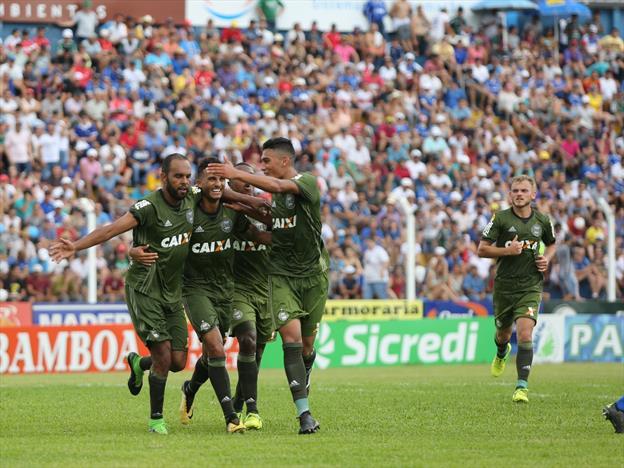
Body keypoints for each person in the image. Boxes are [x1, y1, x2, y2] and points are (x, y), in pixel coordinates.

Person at [50, 154, 198, 435]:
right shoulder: (147, 207)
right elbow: (110, 230)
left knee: (178, 362)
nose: (184, 182)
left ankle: (137, 363)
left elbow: (219, 194)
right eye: (178, 176)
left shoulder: (193, 198)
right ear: (163, 176)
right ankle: (156, 420)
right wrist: (76, 247)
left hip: (172, 292)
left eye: (188, 176)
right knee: (164, 355)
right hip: (145, 289)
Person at [131, 158, 270, 433]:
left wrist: (291, 239)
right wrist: (132, 250)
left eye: (222, 180)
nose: (218, 185)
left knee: (198, 356)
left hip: (225, 289)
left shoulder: (232, 211)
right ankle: (232, 417)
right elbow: (157, 229)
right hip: (193, 288)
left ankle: (163, 374)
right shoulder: (187, 207)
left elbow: (258, 233)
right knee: (218, 346)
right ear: (199, 184)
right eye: (212, 180)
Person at [208, 137, 328, 435]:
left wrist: (235, 175)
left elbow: (274, 189)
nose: (263, 166)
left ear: (285, 161)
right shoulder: (275, 200)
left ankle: (306, 368)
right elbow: (262, 213)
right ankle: (305, 415)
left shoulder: (308, 183)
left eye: (266, 162)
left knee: (307, 347)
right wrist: (227, 198)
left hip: (314, 277)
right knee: (292, 340)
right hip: (281, 277)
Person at [477, 175, 556, 403]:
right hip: (504, 287)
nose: (518, 194)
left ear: (533, 195)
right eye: (515, 191)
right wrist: (507, 251)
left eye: (523, 190)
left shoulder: (542, 220)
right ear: (510, 194)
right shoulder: (500, 219)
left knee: (524, 332)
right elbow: (482, 250)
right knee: (502, 334)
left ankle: (522, 386)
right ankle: (502, 352)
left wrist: (546, 259)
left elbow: (551, 244)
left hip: (530, 286)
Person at [228, 162, 274, 430]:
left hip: (264, 288)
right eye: (240, 178)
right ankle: (252, 409)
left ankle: (237, 400)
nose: (247, 182)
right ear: (230, 183)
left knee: (256, 351)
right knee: (247, 339)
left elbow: (281, 235)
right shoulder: (222, 211)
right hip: (236, 288)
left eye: (250, 178)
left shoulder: (265, 208)